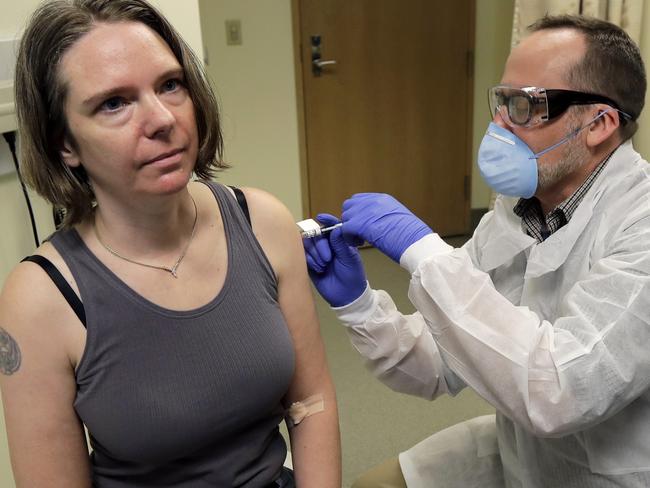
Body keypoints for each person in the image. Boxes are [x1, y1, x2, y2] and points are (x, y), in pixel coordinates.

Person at [0, 1, 341, 486]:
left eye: (170, 85)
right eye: (114, 103)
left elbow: (313, 403)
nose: (162, 118)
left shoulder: (262, 221)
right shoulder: (41, 298)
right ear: (65, 144)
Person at [305, 14, 650, 488]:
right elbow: (439, 362)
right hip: (524, 450)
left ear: (599, 124)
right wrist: (360, 305)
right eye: (501, 100)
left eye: (525, 105)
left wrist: (427, 253)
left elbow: (561, 391)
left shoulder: (641, 226)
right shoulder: (518, 212)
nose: (499, 125)